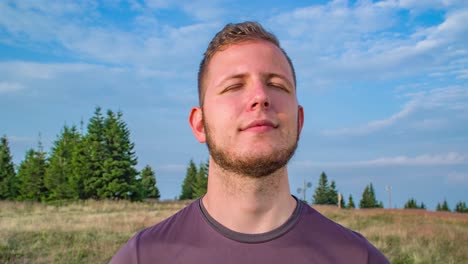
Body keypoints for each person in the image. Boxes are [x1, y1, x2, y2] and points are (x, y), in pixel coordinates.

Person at [110, 21, 389, 264]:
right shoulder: (142, 257)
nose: (260, 97)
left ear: (299, 122)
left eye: (277, 85)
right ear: (199, 124)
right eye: (233, 86)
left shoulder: (357, 258)